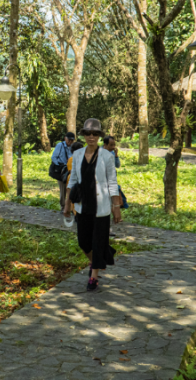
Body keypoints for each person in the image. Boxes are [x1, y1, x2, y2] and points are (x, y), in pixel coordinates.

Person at [64, 119, 121, 292]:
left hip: (101, 206)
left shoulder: (106, 156)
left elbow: (112, 182)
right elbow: (72, 180)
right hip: (82, 205)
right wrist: (67, 204)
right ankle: (97, 258)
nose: (91, 137)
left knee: (97, 241)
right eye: (88, 133)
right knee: (83, 241)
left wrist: (116, 207)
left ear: (99, 136)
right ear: (83, 135)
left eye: (95, 134)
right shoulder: (77, 155)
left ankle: (94, 275)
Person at [51, 132, 76, 211]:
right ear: (65, 138)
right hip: (62, 170)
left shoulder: (73, 147)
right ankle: (63, 207)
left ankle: (70, 208)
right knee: (63, 190)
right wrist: (60, 166)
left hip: (70, 170)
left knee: (70, 189)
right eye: (69, 140)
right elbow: (54, 157)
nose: (70, 142)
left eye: (72, 140)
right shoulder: (60, 145)